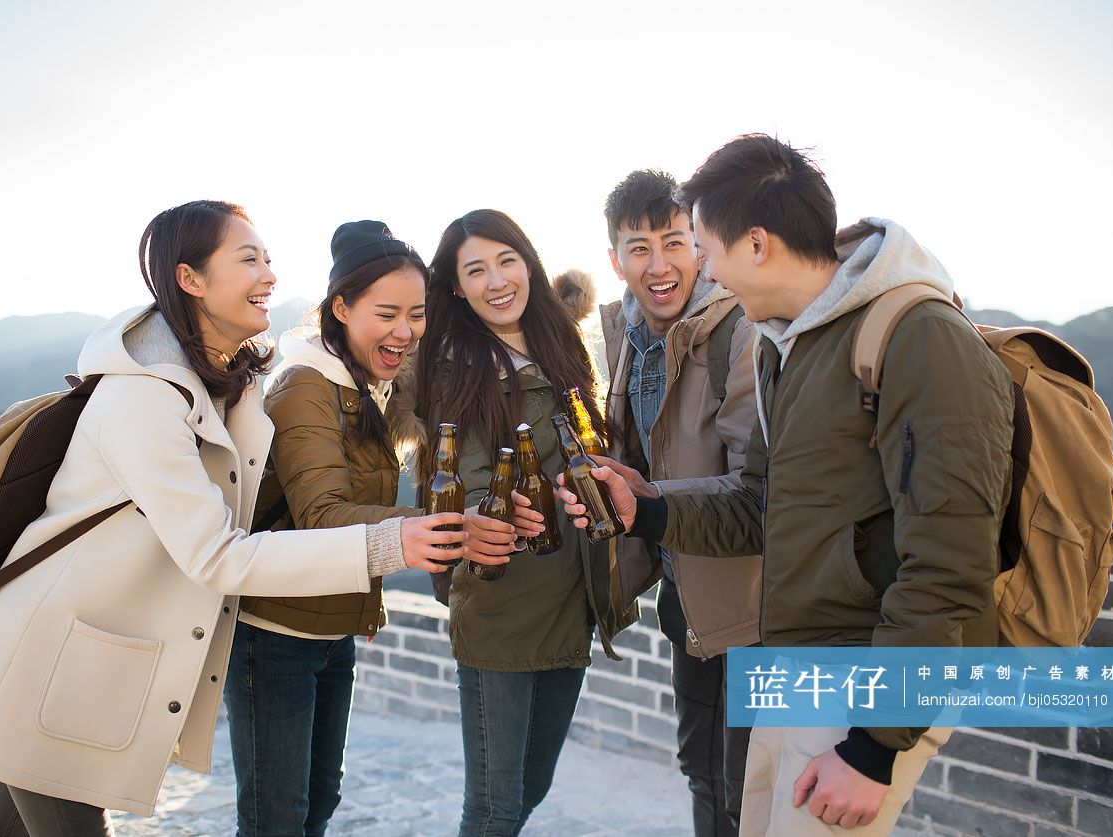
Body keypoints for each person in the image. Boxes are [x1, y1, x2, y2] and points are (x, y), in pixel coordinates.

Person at [0, 201, 474, 835]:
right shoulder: (143, 394)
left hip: (97, 658)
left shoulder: (226, 382)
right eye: (248, 258)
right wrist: (392, 543)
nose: (270, 276)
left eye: (268, 259)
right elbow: (218, 553)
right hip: (54, 657)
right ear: (190, 279)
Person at [560, 135, 1012, 835]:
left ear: (757, 244)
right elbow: (760, 506)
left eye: (701, 248)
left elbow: (950, 566)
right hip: (796, 661)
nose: (699, 270)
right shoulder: (787, 344)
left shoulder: (920, 337)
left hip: (865, 677)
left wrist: (871, 745)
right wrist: (643, 509)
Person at [223, 220, 460, 835]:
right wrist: (441, 526)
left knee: (319, 800)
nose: (404, 332)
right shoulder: (307, 387)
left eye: (417, 314)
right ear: (341, 308)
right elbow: (325, 517)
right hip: (273, 634)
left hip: (329, 627)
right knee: (278, 817)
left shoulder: (365, 388)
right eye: (386, 313)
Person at [414, 208, 639, 836]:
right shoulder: (454, 367)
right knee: (493, 807)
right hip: (503, 606)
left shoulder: (559, 346)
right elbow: (463, 475)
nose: (496, 281)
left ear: (529, 264)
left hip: (573, 594)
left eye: (506, 260)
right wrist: (494, 509)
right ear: (457, 288)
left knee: (530, 787)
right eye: (475, 270)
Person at [596, 169, 761, 836]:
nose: (658, 265)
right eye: (638, 248)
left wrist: (647, 496)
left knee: (750, 784)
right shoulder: (628, 337)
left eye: (673, 242)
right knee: (701, 767)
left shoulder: (738, 329)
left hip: (754, 603)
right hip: (684, 593)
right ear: (614, 260)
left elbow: (760, 485)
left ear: (700, 246)